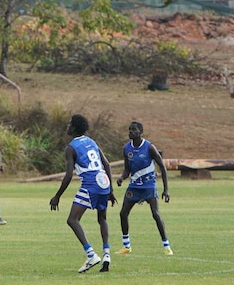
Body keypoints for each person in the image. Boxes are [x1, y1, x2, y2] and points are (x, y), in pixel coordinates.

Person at [49, 114, 117, 273]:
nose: (67, 126)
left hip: (91, 183)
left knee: (72, 220)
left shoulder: (71, 148)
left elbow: (68, 176)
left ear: (73, 128)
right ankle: (107, 254)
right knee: (102, 218)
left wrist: (57, 196)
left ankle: (91, 254)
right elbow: (106, 164)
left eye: (69, 124)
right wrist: (111, 190)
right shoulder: (92, 142)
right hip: (103, 181)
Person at [115, 121, 173, 255]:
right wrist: (121, 178)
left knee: (155, 214)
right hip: (134, 186)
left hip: (148, 186)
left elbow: (162, 167)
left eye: (133, 130)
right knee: (123, 213)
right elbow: (127, 169)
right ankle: (126, 246)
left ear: (140, 132)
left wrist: (166, 189)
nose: (130, 132)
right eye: (129, 129)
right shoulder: (126, 148)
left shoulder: (149, 147)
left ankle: (166, 246)